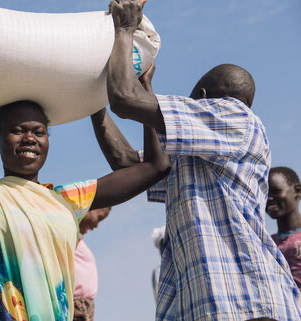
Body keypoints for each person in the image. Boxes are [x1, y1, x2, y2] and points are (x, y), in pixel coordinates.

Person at [0, 49, 171, 320]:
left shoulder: (66, 200)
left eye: (39, 132)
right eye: (16, 130)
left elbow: (155, 168)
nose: (30, 138)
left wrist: (144, 90)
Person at [104, 0, 301, 320]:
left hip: (246, 304)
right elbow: (127, 163)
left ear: (206, 100)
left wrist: (124, 30)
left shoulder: (238, 120)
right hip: (204, 307)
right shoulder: (193, 155)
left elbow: (125, 100)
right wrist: (94, 102)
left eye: (192, 99)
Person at [73, 206, 111, 321]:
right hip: (74, 305)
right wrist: (71, 308)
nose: (96, 226)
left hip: (83, 306)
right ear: (89, 208)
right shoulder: (69, 237)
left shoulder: (77, 239)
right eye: (99, 218)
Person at [267, 167, 301, 289]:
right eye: (265, 193)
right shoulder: (267, 244)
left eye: (275, 191)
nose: (269, 198)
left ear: (296, 191)